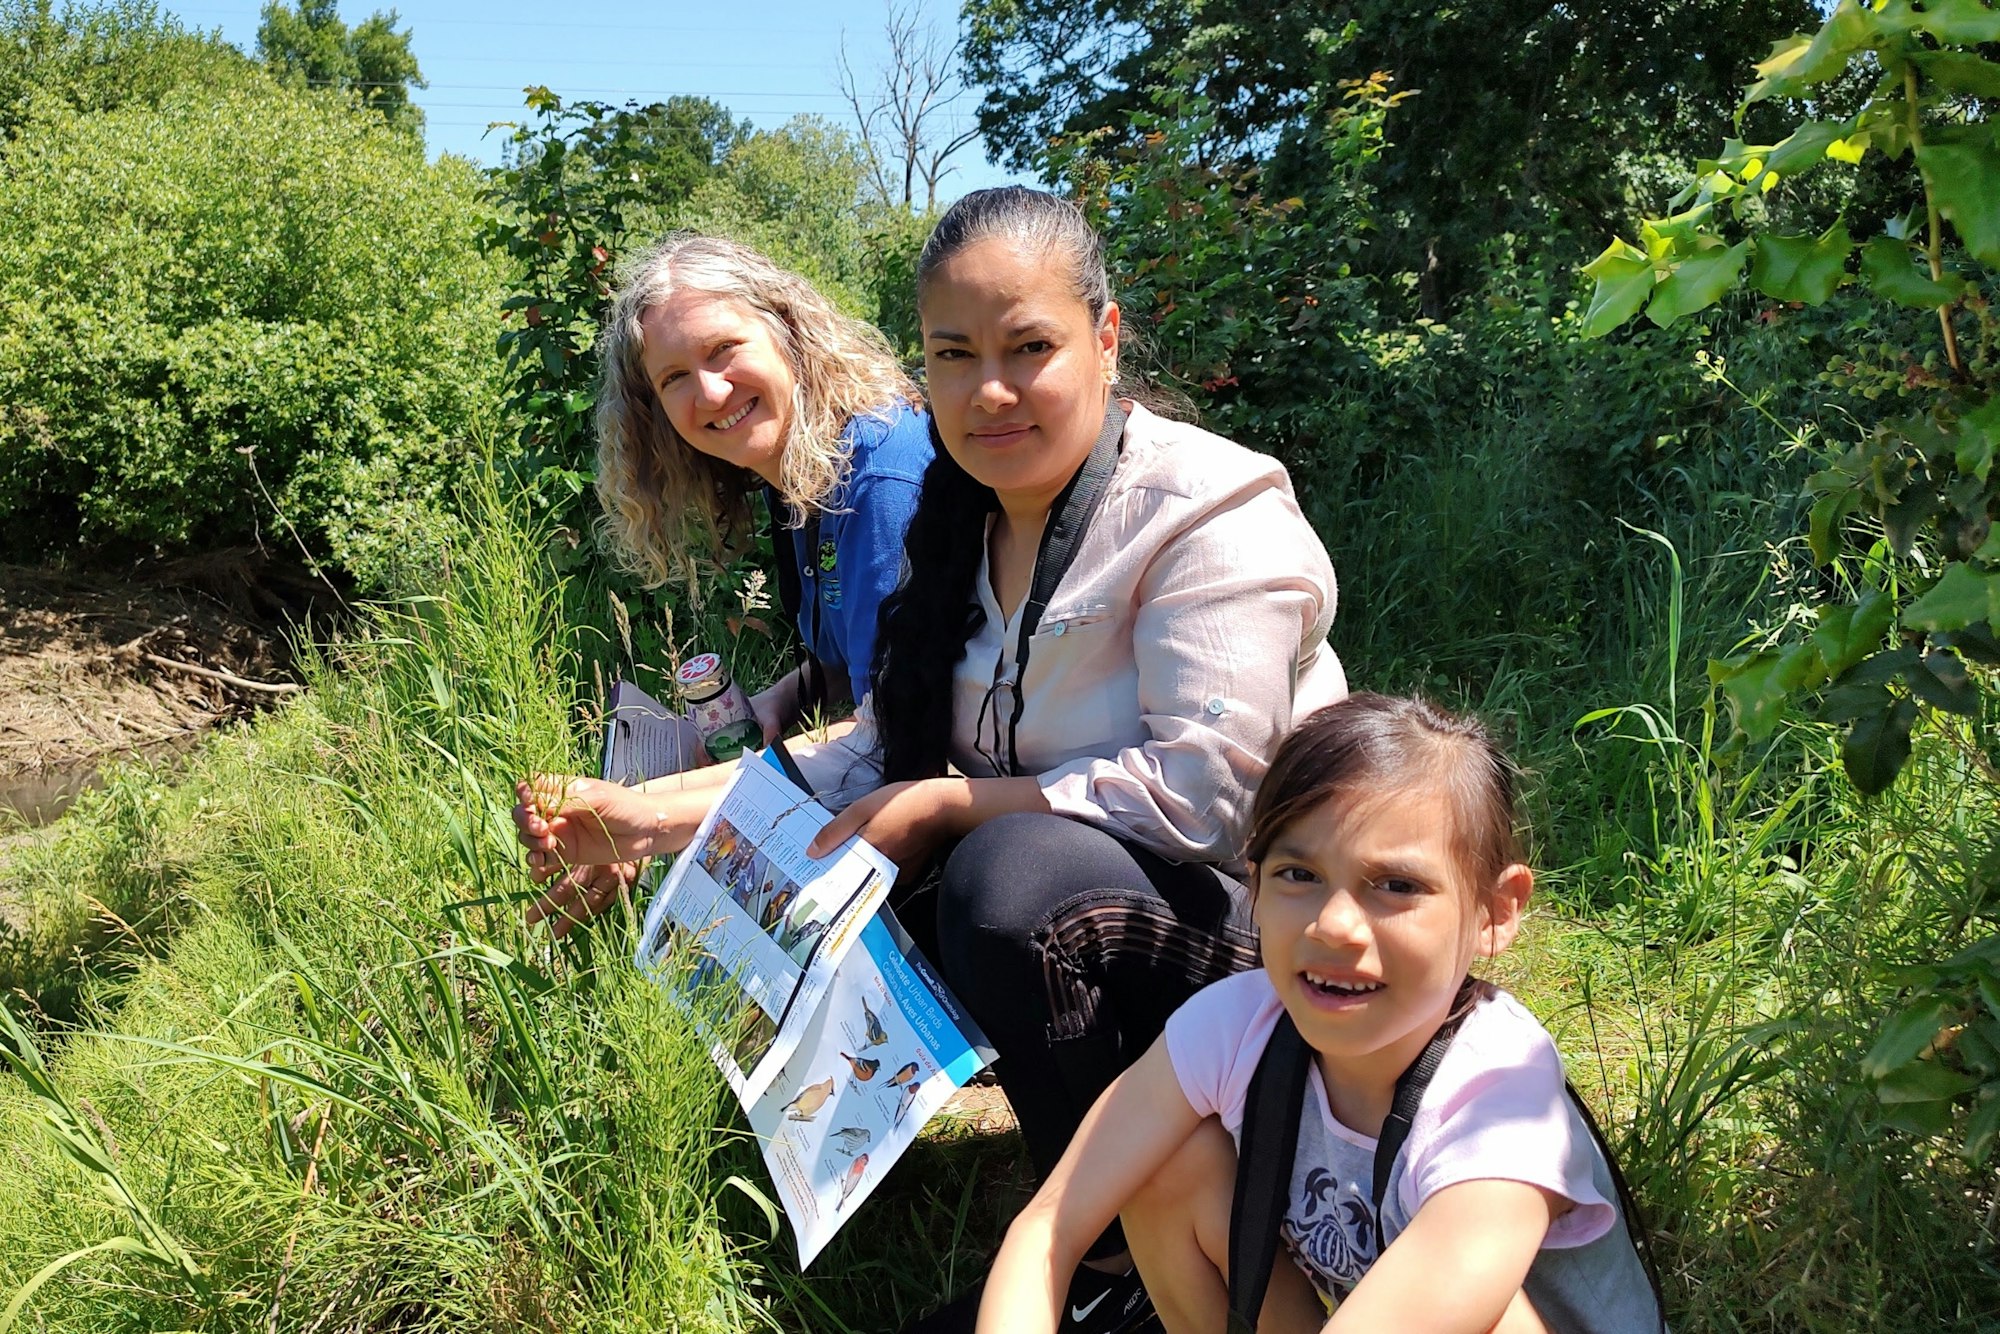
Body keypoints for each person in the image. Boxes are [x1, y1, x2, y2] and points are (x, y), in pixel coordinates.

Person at [514, 187, 1346, 1333]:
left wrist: (952, 802)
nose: (987, 390)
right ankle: (1077, 1213)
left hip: (1282, 933)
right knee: (844, 864)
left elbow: (1212, 796)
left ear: (1104, 338)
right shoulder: (962, 518)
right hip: (1112, 906)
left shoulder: (1205, 507)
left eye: (1029, 347)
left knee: (1003, 879)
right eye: (953, 355)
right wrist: (647, 821)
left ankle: (1113, 1265)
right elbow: (878, 742)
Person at [974, 694, 1665, 1334]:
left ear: (1496, 911)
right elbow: (1048, 1230)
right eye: (1298, 875)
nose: (1334, 926)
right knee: (1163, 1167)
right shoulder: (1237, 1027)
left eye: (1396, 886)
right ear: (1254, 881)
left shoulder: (1499, 1100)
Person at [595, 231, 932, 739]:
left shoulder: (877, 472)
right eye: (674, 378)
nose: (710, 393)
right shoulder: (800, 472)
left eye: (722, 349)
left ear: (787, 332)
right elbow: (850, 660)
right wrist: (773, 704)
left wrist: (658, 810)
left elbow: (890, 731)